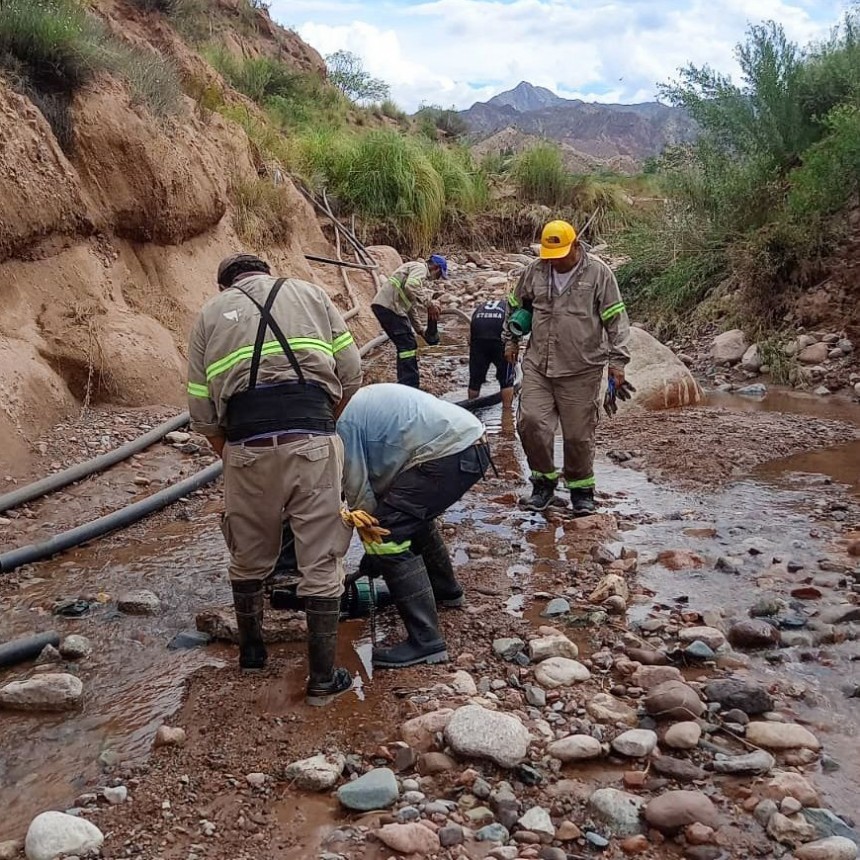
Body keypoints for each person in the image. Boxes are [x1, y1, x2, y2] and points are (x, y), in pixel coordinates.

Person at [186, 253, 362, 706]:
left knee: (248, 557)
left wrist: (236, 458)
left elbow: (203, 413)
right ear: (266, 272)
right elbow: (352, 372)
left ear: (226, 284)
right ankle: (323, 677)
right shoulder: (310, 293)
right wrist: (324, 426)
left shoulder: (209, 314)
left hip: (246, 447)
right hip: (314, 438)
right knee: (322, 559)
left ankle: (252, 654)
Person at [336, 383, 491, 669]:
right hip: (470, 444)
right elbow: (384, 488)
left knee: (385, 538)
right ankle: (446, 591)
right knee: (408, 517)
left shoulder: (343, 422)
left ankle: (426, 641)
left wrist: (376, 549)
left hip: (451, 454)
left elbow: (359, 495)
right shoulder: (358, 402)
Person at [503, 221, 630, 515]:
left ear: (576, 245)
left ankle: (581, 491)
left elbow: (616, 319)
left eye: (560, 253)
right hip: (538, 364)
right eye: (550, 255)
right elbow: (514, 304)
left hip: (582, 367)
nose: (555, 260)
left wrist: (618, 362)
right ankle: (543, 484)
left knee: (577, 435)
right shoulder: (535, 270)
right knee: (531, 422)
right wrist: (510, 340)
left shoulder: (599, 274)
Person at [371, 255, 447, 388]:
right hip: (390, 307)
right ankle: (410, 385)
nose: (437, 278)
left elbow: (410, 307)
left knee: (406, 343)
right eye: (439, 274)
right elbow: (411, 286)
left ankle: (406, 383)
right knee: (407, 344)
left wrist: (420, 330)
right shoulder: (420, 268)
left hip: (388, 307)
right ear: (435, 268)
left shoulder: (416, 274)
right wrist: (429, 305)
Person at [468, 299, 515, 408]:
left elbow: (470, 339)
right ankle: (507, 415)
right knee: (506, 379)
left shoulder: (481, 306)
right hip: (499, 333)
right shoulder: (509, 308)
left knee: (475, 380)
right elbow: (514, 332)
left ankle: (471, 409)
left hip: (478, 331)